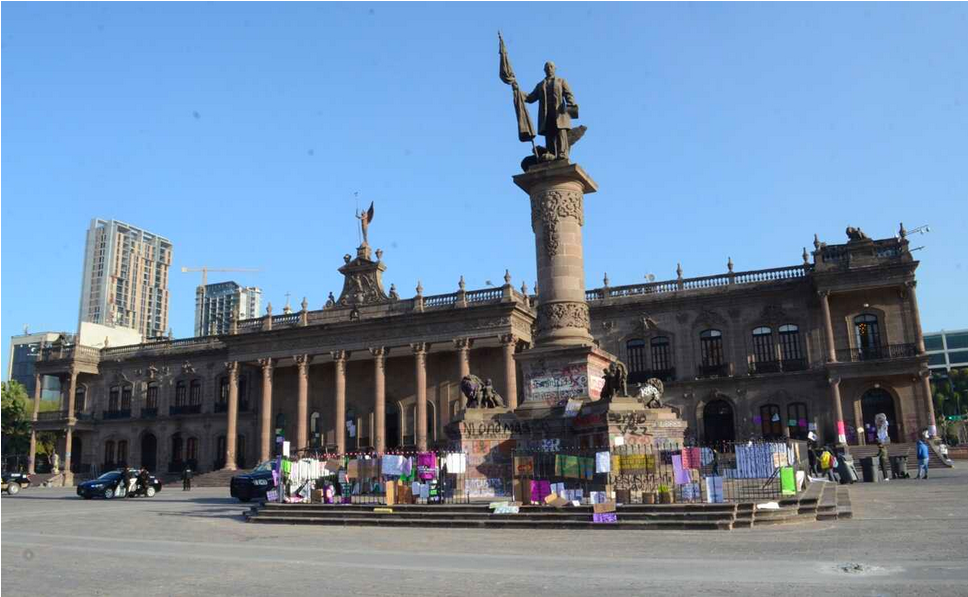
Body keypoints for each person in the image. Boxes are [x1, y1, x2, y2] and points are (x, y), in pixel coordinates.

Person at [518, 61, 578, 161]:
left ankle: (562, 153)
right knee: (549, 135)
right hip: (546, 115)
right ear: (544, 70)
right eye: (547, 67)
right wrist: (518, 92)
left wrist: (571, 104)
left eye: (551, 66)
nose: (549, 68)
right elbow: (530, 97)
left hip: (559, 113)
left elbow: (569, 94)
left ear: (555, 69)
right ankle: (551, 153)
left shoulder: (561, 81)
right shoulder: (540, 85)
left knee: (560, 133)